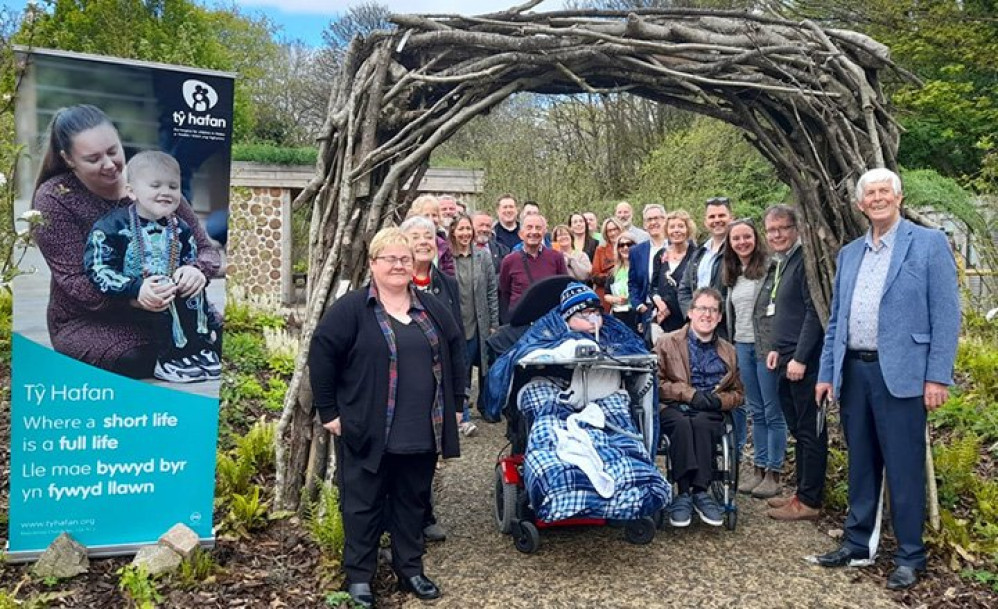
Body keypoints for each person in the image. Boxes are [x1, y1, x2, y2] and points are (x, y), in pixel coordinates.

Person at [812, 169, 960, 590]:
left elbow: (947, 315)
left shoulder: (928, 244)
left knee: (903, 466)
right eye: (869, 194)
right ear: (860, 205)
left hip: (903, 375)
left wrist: (937, 376)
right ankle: (858, 543)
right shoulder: (850, 253)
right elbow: (838, 319)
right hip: (854, 372)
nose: (876, 199)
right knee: (861, 461)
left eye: (883, 191)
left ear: (898, 197)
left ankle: (910, 554)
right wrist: (827, 373)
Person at [309, 227, 466, 608]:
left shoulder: (431, 308)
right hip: (368, 428)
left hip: (421, 428)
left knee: (412, 502)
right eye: (390, 259)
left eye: (405, 259)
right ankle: (359, 577)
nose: (398, 265)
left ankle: (410, 569)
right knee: (362, 504)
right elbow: (322, 353)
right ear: (373, 264)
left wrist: (458, 403)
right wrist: (329, 410)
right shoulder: (352, 310)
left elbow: (457, 349)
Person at [31, 104, 219, 378]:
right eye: (93, 159)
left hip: (171, 310)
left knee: (217, 341)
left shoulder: (152, 179)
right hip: (90, 318)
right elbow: (75, 281)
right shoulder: (54, 197)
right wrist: (136, 297)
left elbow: (205, 249)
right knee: (137, 359)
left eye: (113, 151)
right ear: (68, 159)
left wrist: (196, 271)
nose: (109, 164)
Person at [84, 151, 221, 383]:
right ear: (131, 191)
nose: (165, 192)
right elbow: (98, 269)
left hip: (178, 297)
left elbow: (192, 255)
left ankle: (198, 350)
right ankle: (170, 358)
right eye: (155, 185)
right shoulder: (110, 227)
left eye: (173, 186)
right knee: (162, 287)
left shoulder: (181, 227)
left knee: (192, 288)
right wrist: (136, 288)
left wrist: (193, 270)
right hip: (132, 303)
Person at [759, 205, 827, 521]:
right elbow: (785, 311)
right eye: (771, 230)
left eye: (782, 228)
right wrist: (776, 348)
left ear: (796, 228)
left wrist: (800, 357)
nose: (777, 235)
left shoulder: (805, 262)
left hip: (805, 362)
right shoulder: (784, 263)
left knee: (811, 431)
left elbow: (813, 312)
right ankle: (800, 492)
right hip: (785, 359)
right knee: (798, 429)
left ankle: (810, 500)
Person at [655, 288, 744, 528]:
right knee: (683, 425)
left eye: (713, 310)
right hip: (675, 406)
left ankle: (699, 491)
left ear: (720, 317)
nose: (707, 315)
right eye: (702, 309)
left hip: (709, 409)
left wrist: (719, 401)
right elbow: (656, 383)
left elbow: (738, 394)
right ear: (690, 313)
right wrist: (689, 394)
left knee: (703, 423)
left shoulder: (729, 351)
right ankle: (684, 493)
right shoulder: (666, 343)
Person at [401, 216, 462, 542]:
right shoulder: (394, 283)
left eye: (428, 236)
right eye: (416, 236)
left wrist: (459, 396)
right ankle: (401, 521)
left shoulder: (447, 284)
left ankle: (424, 514)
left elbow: (457, 342)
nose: (424, 241)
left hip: (437, 385)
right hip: (401, 384)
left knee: (428, 453)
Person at [721, 219, 784, 497]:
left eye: (747, 237)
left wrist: (777, 346)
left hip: (765, 348)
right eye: (736, 239)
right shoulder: (734, 273)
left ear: (755, 238)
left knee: (773, 411)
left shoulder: (770, 269)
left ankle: (774, 472)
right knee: (755, 410)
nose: (742, 242)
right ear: (730, 244)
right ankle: (758, 468)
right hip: (742, 346)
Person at [448, 213, 499, 432]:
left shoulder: (482, 257)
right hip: (456, 321)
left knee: (483, 367)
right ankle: (463, 416)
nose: (465, 233)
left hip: (479, 320)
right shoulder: (446, 259)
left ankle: (484, 408)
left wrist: (493, 323)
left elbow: (491, 292)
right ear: (453, 232)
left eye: (468, 229)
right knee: (461, 368)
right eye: (461, 229)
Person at [498, 214, 567, 322]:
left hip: (549, 321)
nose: (534, 232)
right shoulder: (509, 261)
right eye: (529, 227)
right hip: (520, 321)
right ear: (521, 234)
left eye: (538, 228)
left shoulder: (556, 257)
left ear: (544, 233)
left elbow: (564, 288)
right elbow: (505, 292)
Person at [678, 197, 732, 321]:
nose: (717, 220)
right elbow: (684, 289)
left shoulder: (737, 251)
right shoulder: (699, 253)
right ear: (705, 222)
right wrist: (692, 315)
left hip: (724, 326)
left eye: (721, 215)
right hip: (697, 326)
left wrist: (712, 316)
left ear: (731, 218)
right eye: (712, 217)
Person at [650, 210, 697, 333]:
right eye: (672, 227)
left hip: (688, 320)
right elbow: (653, 287)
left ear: (688, 229)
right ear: (666, 230)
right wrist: (659, 302)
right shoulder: (660, 256)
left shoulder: (696, 255)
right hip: (664, 320)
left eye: (681, 226)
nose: (676, 230)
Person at [627, 204, 668, 336]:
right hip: (648, 311)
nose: (653, 222)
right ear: (644, 224)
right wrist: (639, 305)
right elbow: (633, 283)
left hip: (674, 311)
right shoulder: (636, 251)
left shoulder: (678, 246)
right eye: (649, 220)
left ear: (665, 220)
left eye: (657, 218)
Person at [408, 195, 455, 276]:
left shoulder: (444, 245)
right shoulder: (406, 242)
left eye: (434, 215)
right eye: (426, 215)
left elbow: (450, 274)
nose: (431, 219)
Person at [603, 233, 638, 332]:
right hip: (618, 315)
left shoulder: (641, 268)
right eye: (621, 245)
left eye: (629, 244)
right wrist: (615, 299)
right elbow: (606, 294)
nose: (625, 247)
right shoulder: (613, 272)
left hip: (637, 315)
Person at [591, 218, 624, 313]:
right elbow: (595, 275)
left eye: (615, 229)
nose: (613, 233)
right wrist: (613, 276)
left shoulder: (630, 247)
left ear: (621, 229)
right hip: (604, 293)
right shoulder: (600, 250)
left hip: (626, 294)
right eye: (609, 231)